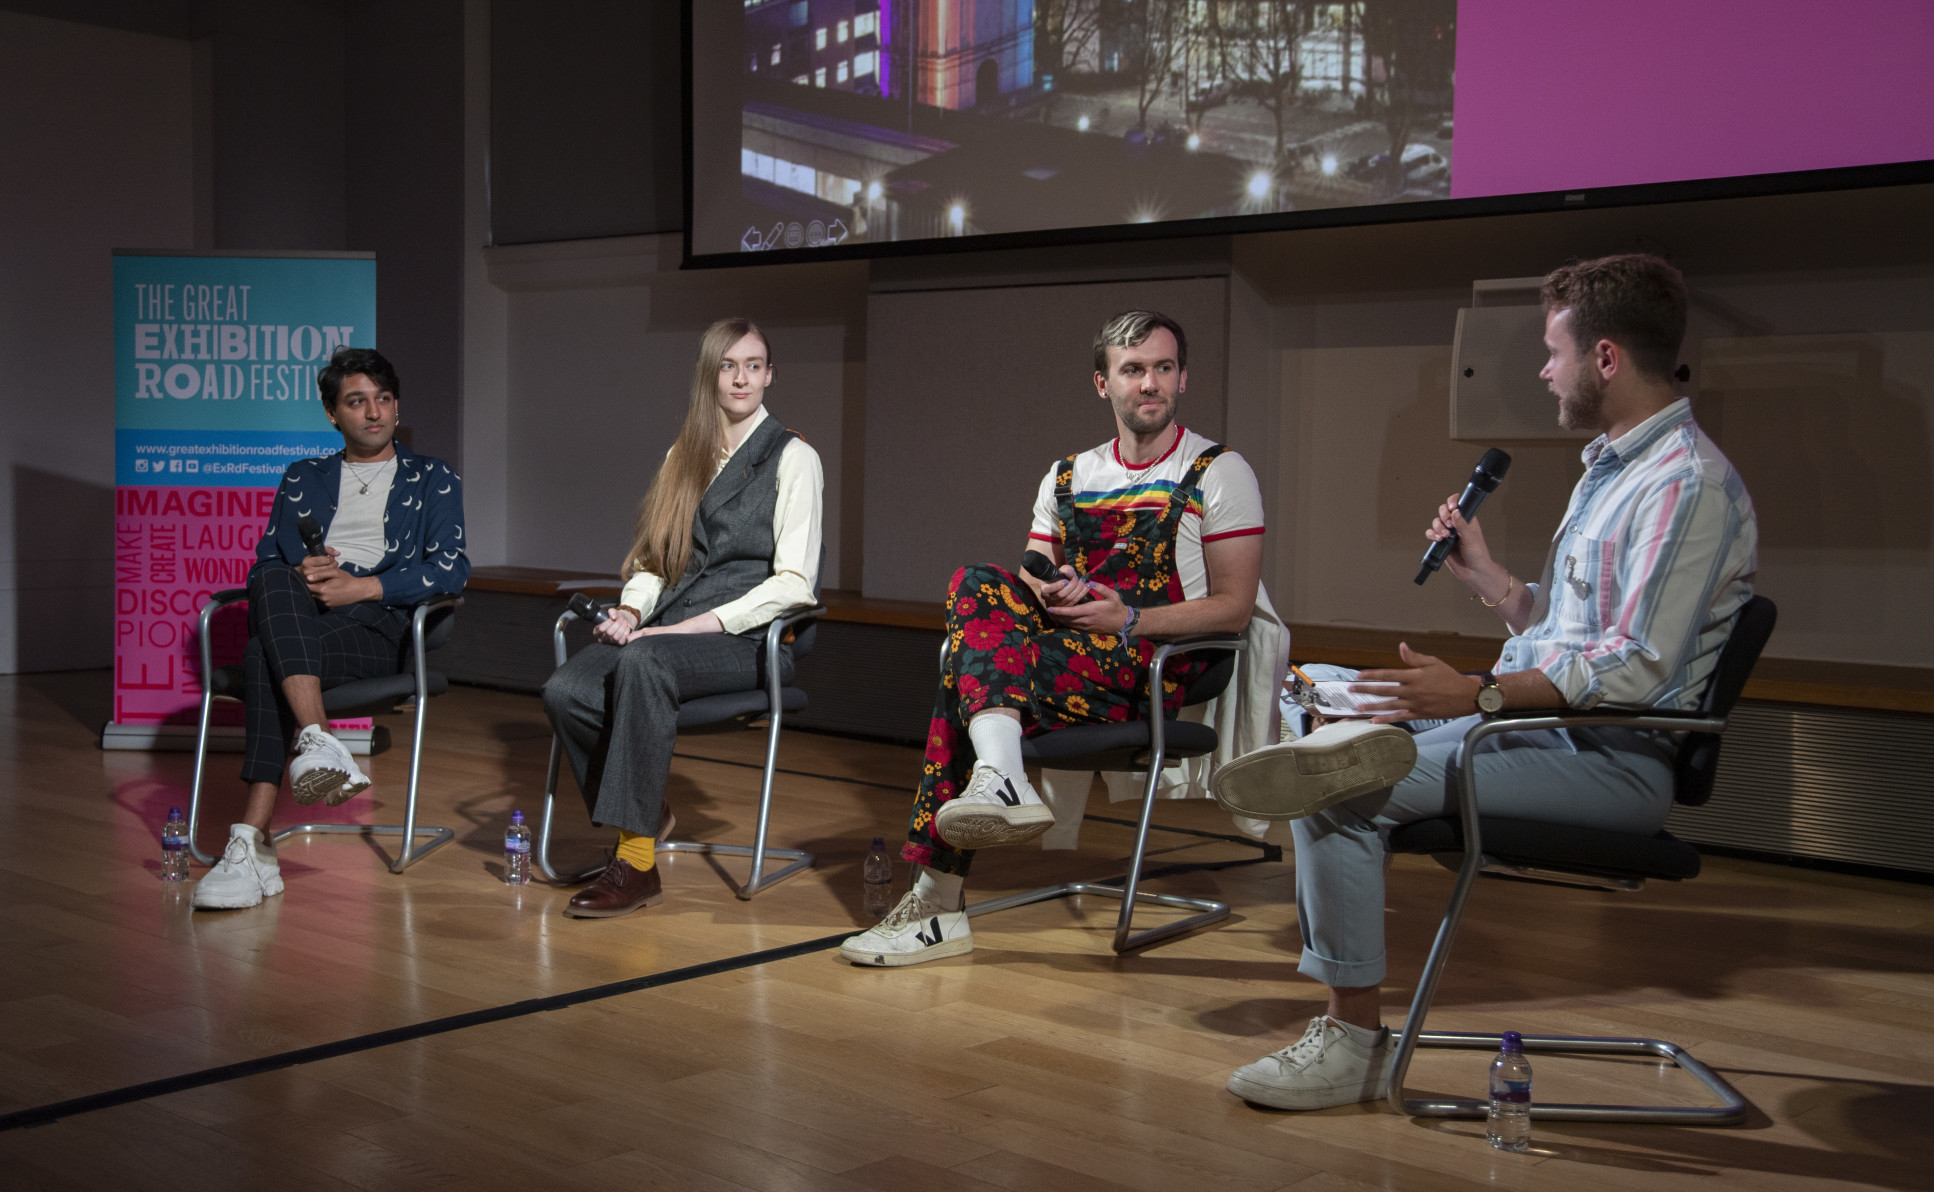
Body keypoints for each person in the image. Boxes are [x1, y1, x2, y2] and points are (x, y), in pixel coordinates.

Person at [1210, 253, 1758, 1110]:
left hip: (1615, 760)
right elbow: (1580, 636)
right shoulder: (1612, 469)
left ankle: (1351, 1043)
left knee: (1345, 788)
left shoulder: (1684, 484)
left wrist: (1479, 695)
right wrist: (1495, 582)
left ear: (1605, 359)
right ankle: (1321, 741)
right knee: (1339, 737)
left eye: (1554, 352)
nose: (1545, 370)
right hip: (1543, 731)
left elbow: (1638, 669)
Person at [841, 310, 1272, 967]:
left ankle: (941, 897)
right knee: (975, 583)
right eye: (1133, 370)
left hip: (1151, 664)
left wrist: (1127, 619)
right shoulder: (1068, 474)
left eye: (1161, 368)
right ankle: (1000, 776)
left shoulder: (1218, 470)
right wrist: (1061, 592)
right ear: (1104, 384)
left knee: (963, 667)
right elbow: (1022, 593)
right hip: (1066, 654)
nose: (1149, 383)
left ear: (1182, 378)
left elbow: (1235, 610)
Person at [542, 317, 823, 919]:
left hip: (743, 637)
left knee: (644, 659)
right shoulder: (684, 454)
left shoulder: (794, 457)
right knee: (567, 689)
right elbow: (654, 560)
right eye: (728, 365)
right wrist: (630, 609)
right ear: (710, 375)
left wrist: (681, 630)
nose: (741, 377)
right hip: (663, 627)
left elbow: (795, 585)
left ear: (770, 376)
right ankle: (652, 807)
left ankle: (636, 861)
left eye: (753, 365)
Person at [194, 347, 469, 911]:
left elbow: (452, 568)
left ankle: (251, 842)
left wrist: (361, 587)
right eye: (356, 401)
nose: (374, 412)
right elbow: (268, 559)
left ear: (396, 406)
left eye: (383, 399)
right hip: (304, 617)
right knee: (271, 575)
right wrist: (307, 571)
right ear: (332, 414)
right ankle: (318, 742)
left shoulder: (432, 476)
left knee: (259, 658)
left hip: (379, 627)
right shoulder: (304, 476)